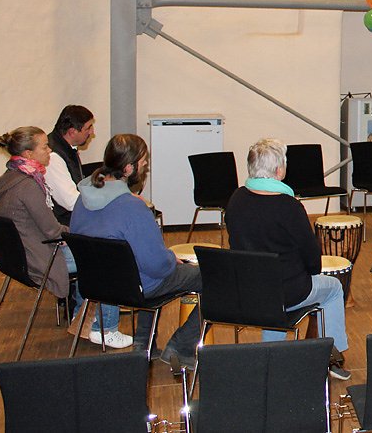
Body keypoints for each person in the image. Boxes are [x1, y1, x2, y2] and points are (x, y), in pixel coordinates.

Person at [0, 126, 130, 348]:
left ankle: (81, 320)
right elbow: (52, 231)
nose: (50, 150)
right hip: (41, 256)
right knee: (105, 258)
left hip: (20, 255)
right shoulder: (27, 187)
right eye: (44, 147)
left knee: (91, 251)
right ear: (28, 154)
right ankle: (105, 329)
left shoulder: (9, 178)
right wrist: (81, 232)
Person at [70, 134, 201, 367]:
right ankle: (181, 348)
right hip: (134, 286)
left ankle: (144, 344)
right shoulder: (133, 207)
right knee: (215, 277)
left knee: (144, 267)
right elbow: (157, 266)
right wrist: (171, 257)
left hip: (96, 284)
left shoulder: (83, 199)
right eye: (143, 161)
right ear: (129, 168)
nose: (146, 165)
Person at [225, 139, 351, 380]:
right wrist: (309, 271)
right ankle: (332, 356)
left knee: (273, 292)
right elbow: (313, 259)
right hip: (287, 292)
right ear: (279, 170)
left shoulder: (236, 198)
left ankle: (271, 359)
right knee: (334, 288)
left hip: (248, 290)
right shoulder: (289, 206)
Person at [47, 105, 95, 225]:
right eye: (88, 128)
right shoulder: (53, 158)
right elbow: (71, 202)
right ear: (72, 132)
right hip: (64, 224)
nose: (92, 132)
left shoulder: (66, 147)